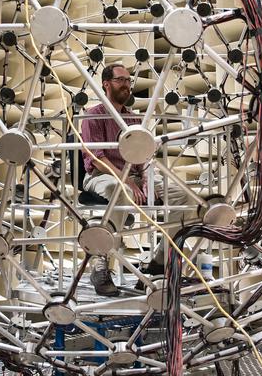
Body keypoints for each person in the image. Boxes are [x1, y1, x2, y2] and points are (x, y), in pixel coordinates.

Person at [80, 64, 192, 296]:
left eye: (129, 81)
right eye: (121, 80)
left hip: (133, 177)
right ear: (106, 84)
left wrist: (145, 178)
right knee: (119, 191)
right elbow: (96, 158)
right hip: (102, 176)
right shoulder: (93, 115)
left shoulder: (133, 119)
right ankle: (101, 265)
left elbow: (145, 156)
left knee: (184, 197)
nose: (127, 85)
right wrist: (126, 181)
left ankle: (160, 261)